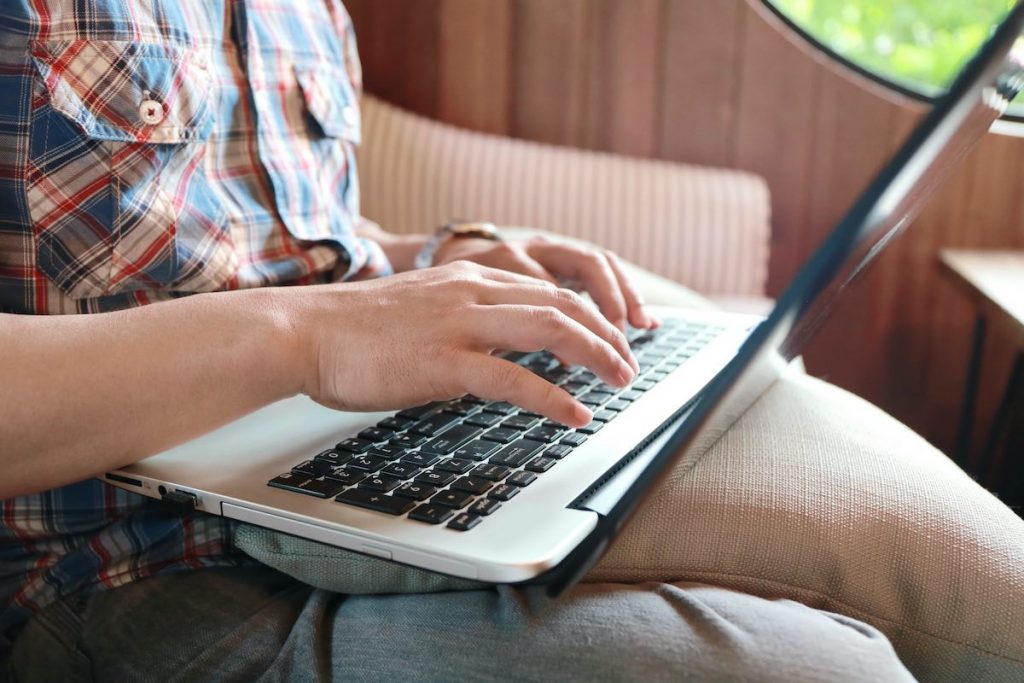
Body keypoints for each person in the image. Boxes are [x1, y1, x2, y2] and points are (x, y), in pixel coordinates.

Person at [3, 1, 1015, 681]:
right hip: (113, 580)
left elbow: (257, 251)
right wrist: (306, 334)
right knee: (832, 666)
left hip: (324, 453)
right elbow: (286, 314)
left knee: (918, 541)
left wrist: (437, 253)